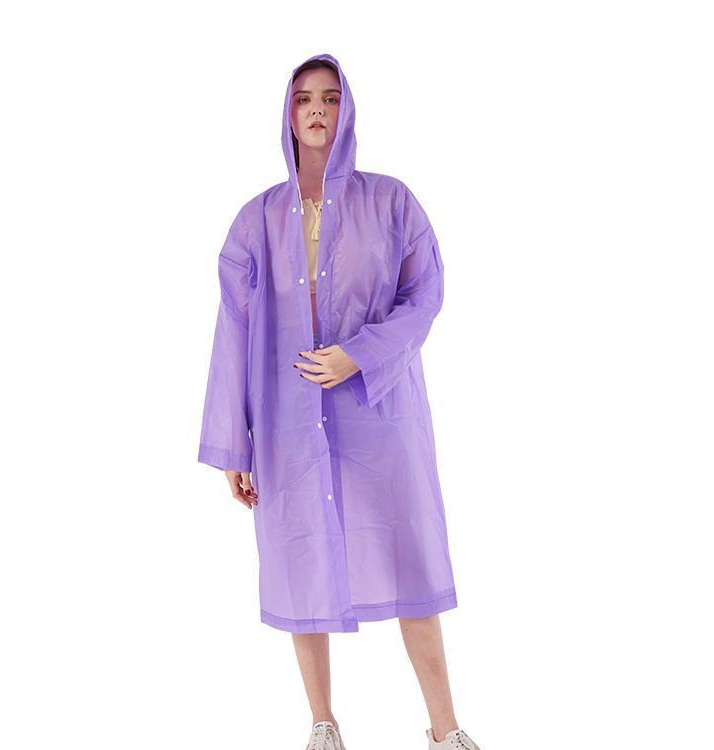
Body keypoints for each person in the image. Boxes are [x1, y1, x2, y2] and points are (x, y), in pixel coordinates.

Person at [198, 53, 481, 750]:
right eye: (304, 99)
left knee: (410, 556)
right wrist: (236, 441)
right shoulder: (257, 221)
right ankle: (323, 724)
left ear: (347, 110)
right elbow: (233, 332)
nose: (317, 109)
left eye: (329, 97)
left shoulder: (392, 203)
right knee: (302, 565)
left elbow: (426, 295)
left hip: (380, 416)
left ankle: (445, 729)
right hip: (288, 423)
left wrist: (361, 352)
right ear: (288, 114)